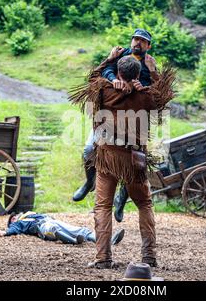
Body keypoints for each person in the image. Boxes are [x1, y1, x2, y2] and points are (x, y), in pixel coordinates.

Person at [69, 55, 175, 269]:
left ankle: (103, 258)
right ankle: (149, 257)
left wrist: (108, 62)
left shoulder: (105, 90)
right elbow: (165, 94)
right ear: (138, 75)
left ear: (119, 73)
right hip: (134, 160)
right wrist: (152, 71)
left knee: (103, 206)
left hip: (107, 157)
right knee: (144, 204)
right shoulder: (146, 96)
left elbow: (92, 78)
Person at [72, 29, 159, 224]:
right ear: (131, 40)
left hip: (134, 122)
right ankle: (89, 182)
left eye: (143, 41)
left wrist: (139, 86)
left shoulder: (150, 64)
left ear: (148, 46)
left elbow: (157, 93)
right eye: (136, 39)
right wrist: (115, 80)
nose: (138, 43)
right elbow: (104, 71)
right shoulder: (119, 54)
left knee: (133, 164)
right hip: (108, 120)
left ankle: (121, 199)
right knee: (88, 149)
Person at [0, 211, 125, 246]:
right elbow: (12, 229)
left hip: (49, 221)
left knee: (80, 230)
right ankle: (74, 241)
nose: (16, 216)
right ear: (13, 220)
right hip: (43, 227)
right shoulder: (18, 223)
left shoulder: (31, 214)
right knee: (53, 228)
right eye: (14, 217)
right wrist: (4, 232)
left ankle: (109, 241)